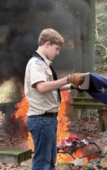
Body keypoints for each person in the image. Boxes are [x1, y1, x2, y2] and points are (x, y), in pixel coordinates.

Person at [24, 28, 84, 170]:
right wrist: (66, 79)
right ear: (47, 44)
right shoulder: (36, 64)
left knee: (49, 162)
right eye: (56, 49)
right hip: (41, 119)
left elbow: (51, 87)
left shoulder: (44, 64)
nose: (57, 53)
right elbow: (42, 87)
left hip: (47, 120)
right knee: (42, 163)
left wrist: (72, 85)